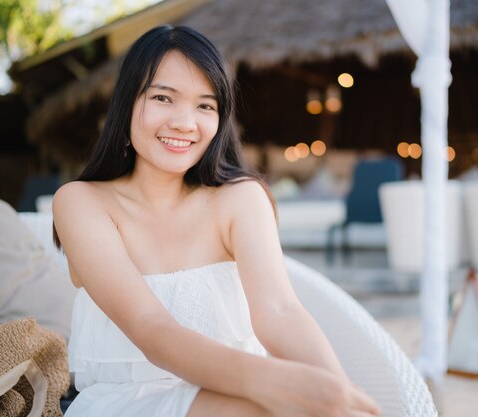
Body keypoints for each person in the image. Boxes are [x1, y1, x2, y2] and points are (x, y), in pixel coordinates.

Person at [53, 25, 381, 417]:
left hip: (245, 394)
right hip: (131, 400)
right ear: (126, 105)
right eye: (163, 98)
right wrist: (274, 383)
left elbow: (279, 311)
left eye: (205, 105)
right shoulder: (81, 202)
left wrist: (336, 394)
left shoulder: (241, 198)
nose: (184, 122)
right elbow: (150, 326)